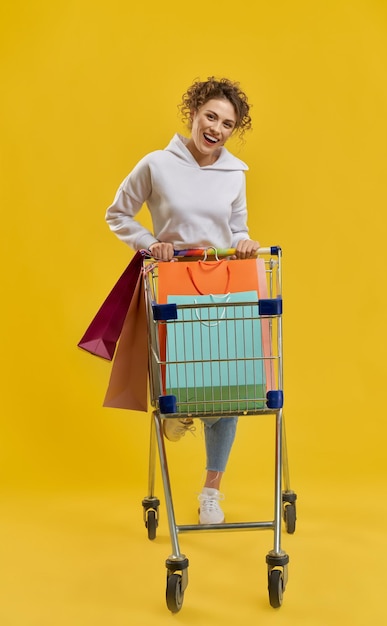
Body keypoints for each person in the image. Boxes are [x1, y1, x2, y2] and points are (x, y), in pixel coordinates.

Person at [105, 76, 259, 524]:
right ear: (193, 113)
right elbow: (117, 214)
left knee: (230, 389)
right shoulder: (157, 164)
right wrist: (150, 243)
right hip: (172, 283)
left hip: (225, 285)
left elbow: (237, 227)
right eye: (210, 116)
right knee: (186, 380)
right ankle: (180, 412)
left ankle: (212, 489)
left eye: (227, 123)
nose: (216, 128)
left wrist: (245, 241)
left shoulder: (235, 172)